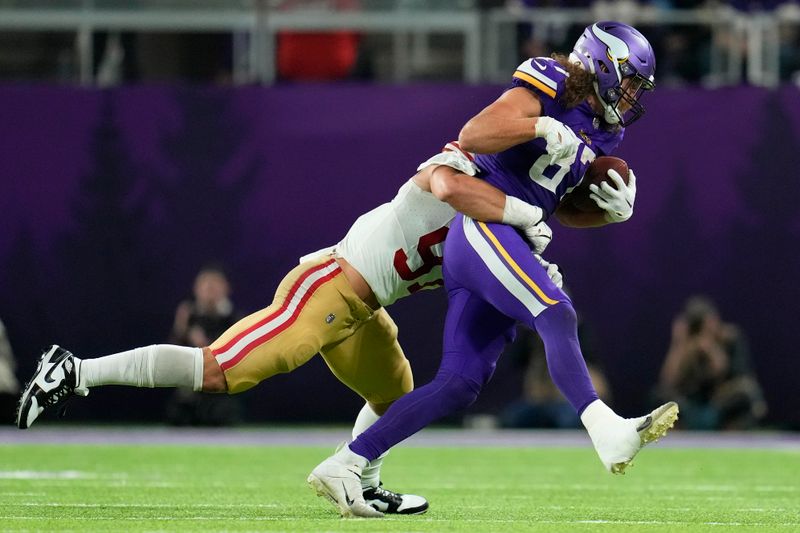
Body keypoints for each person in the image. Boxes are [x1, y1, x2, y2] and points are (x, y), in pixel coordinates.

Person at [16, 142, 558, 517]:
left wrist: (533, 266)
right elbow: (438, 180)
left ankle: (362, 479)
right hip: (329, 286)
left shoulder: (501, 225)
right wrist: (514, 210)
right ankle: (75, 369)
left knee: (395, 392)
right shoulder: (462, 173)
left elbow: (485, 276)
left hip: (365, 311)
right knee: (221, 370)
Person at [310, 21, 679, 518]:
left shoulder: (604, 128)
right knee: (556, 312)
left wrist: (608, 209)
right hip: (484, 228)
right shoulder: (551, 81)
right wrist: (541, 126)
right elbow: (475, 134)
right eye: (630, 80)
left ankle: (349, 463)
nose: (632, 95)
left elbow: (555, 197)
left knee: (459, 382)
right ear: (600, 64)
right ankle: (606, 429)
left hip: (512, 238)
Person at [655, 295, 766, 430]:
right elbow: (668, 380)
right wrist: (679, 344)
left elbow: (722, 370)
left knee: (747, 393)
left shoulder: (729, 338)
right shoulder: (684, 344)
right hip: (690, 404)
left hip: (719, 402)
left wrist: (710, 346)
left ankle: (732, 436)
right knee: (659, 396)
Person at [166, 265, 242, 426]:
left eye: (214, 286)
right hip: (192, 391)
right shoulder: (189, 316)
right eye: (205, 286)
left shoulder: (234, 319)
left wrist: (206, 346)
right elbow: (171, 355)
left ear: (225, 289)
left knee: (222, 414)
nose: (209, 291)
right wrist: (181, 328)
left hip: (220, 392)